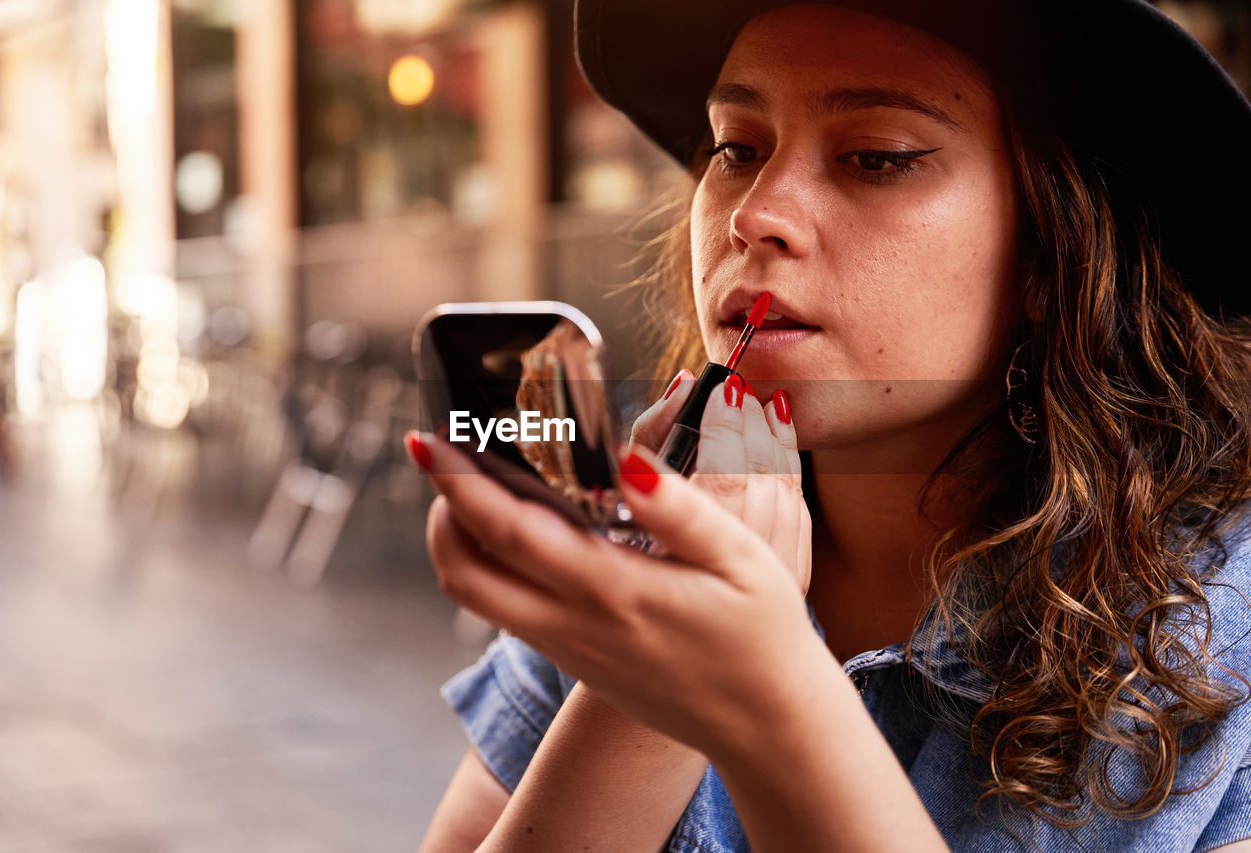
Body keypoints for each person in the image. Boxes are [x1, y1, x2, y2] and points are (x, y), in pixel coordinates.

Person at [406, 1, 1251, 850]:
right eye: (737, 148)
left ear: (1052, 254)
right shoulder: (636, 537)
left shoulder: (1228, 631)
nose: (754, 213)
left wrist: (761, 692)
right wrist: (644, 668)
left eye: (874, 157)